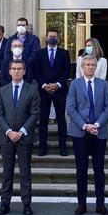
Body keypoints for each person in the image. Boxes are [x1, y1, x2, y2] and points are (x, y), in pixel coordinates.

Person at [67, 55, 108, 215]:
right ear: (82, 67)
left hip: (99, 131)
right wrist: (85, 126)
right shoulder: (75, 84)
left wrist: (97, 125)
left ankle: (100, 204)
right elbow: (71, 108)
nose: (90, 67)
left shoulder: (103, 84)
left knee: (99, 169)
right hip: (79, 132)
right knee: (81, 169)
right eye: (87, 65)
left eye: (93, 65)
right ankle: (82, 204)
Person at [0, 60, 40, 215]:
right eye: (13, 69)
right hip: (7, 137)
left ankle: (26, 204)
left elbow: (35, 114)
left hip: (24, 137)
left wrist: (21, 131)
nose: (16, 71)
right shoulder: (2, 90)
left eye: (19, 69)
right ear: (9, 71)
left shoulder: (32, 90)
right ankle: (5, 203)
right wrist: (9, 131)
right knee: (7, 172)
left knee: (25, 173)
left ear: (24, 71)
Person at [35, 28, 71, 157]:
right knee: (43, 120)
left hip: (59, 90)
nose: (52, 38)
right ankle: (42, 147)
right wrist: (44, 85)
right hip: (43, 91)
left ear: (58, 38)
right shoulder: (39, 53)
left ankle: (63, 147)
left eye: (55, 36)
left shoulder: (64, 53)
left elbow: (67, 71)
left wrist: (57, 84)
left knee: (61, 119)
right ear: (46, 38)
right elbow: (36, 72)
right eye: (50, 36)